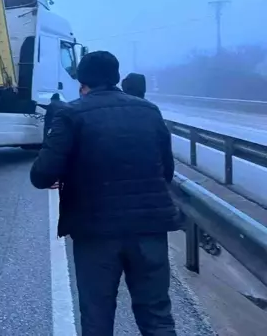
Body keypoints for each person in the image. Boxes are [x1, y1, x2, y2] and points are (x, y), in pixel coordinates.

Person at [30, 51, 180, 336]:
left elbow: (41, 175)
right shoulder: (149, 111)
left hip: (95, 233)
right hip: (151, 229)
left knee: (97, 319)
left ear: (81, 83)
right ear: (116, 78)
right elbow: (167, 172)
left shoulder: (71, 114)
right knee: (157, 317)